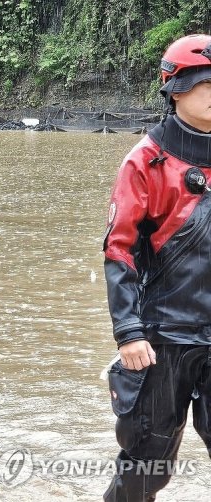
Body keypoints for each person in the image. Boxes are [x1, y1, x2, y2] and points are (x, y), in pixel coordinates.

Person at [103, 34, 211, 501]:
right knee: (146, 464)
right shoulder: (145, 161)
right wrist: (129, 331)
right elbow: (119, 249)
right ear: (176, 89)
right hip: (162, 336)